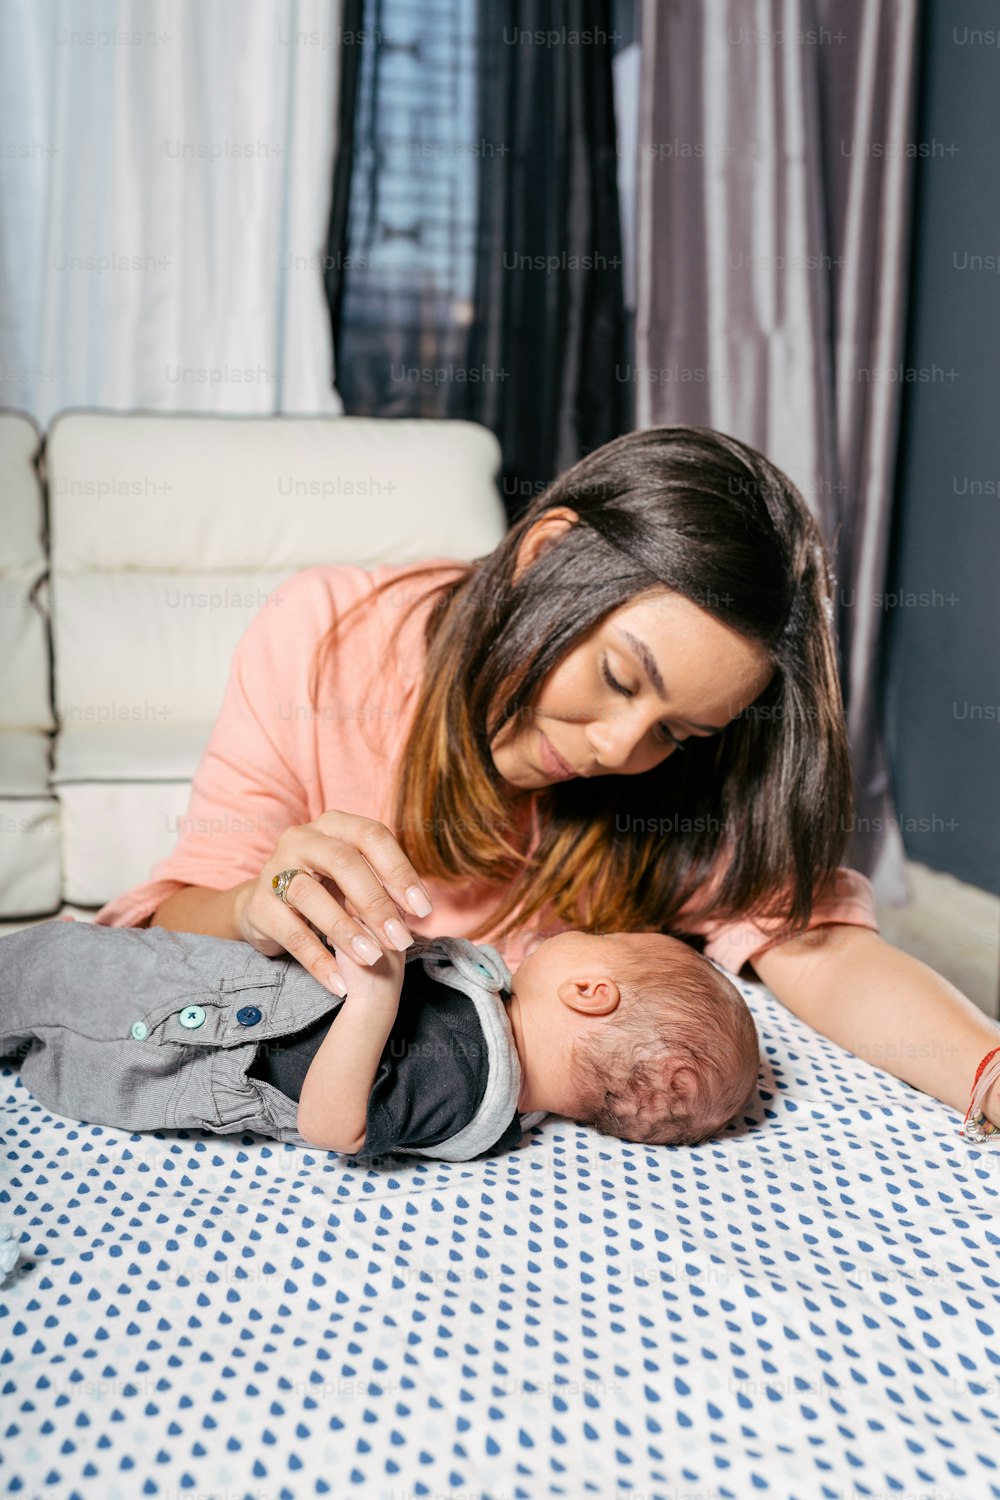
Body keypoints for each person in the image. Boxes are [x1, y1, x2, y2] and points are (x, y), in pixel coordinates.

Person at [90, 425, 1000, 1131]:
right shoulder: (324, 639)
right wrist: (257, 901)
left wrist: (986, 1070)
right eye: (616, 678)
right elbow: (169, 921)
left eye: (676, 732)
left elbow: (816, 944)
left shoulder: (668, 788)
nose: (619, 750)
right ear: (545, 557)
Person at [0, 918, 759, 1160]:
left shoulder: (471, 1084)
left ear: (590, 993)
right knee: (49, 965)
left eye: (592, 933)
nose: (568, 927)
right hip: (210, 996)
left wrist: (377, 994)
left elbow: (333, 1126)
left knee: (43, 969)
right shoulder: (491, 1035)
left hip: (182, 1035)